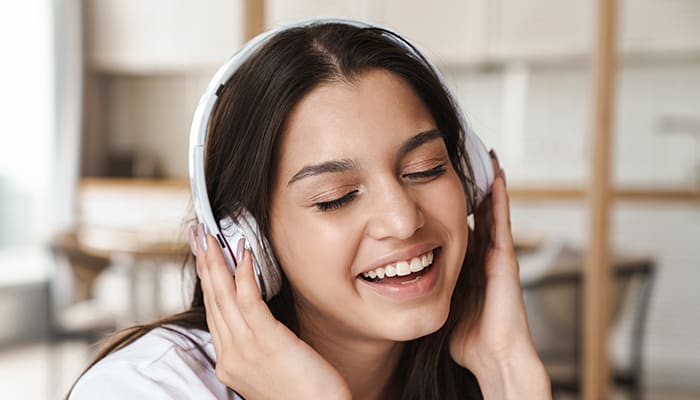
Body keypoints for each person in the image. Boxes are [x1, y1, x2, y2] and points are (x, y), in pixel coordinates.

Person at [69, 19, 550, 399]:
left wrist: (508, 372)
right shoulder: (146, 389)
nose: (403, 219)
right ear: (248, 240)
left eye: (425, 169)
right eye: (335, 197)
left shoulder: (476, 375)